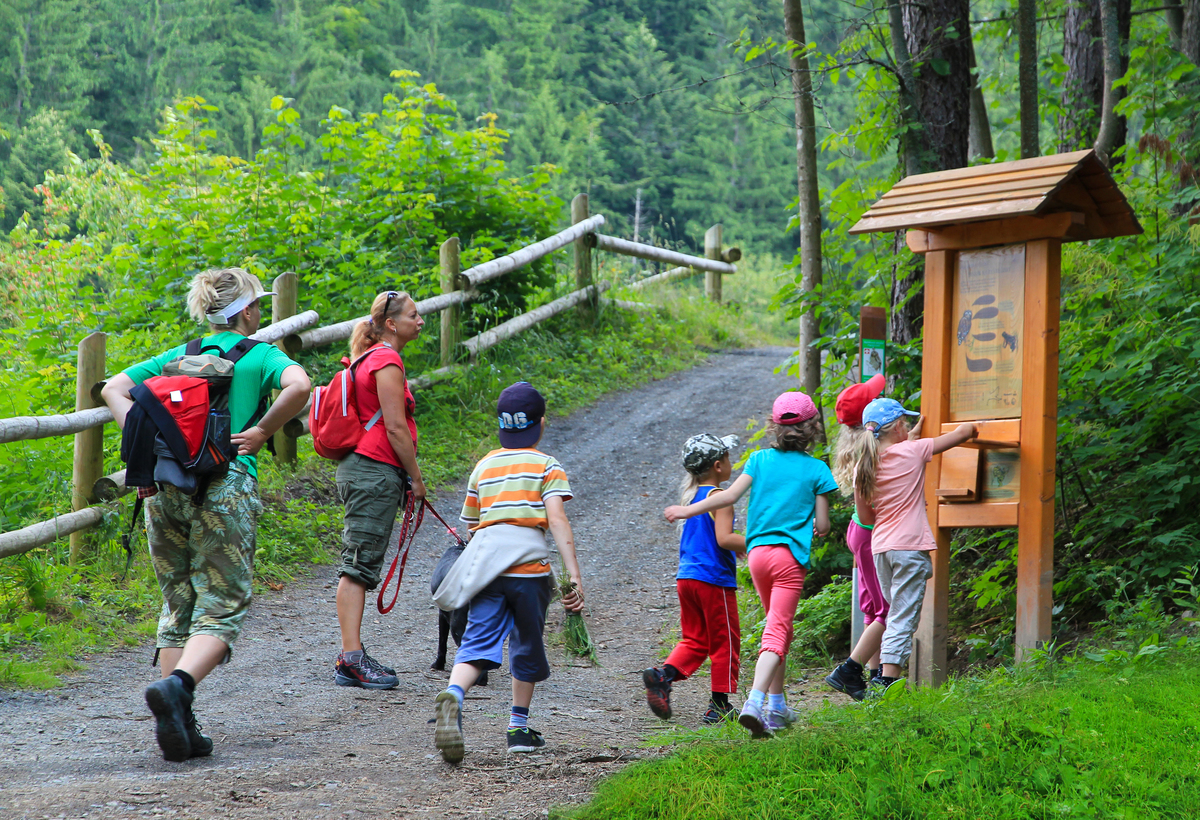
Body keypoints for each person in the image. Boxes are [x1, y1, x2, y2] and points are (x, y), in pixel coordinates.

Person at [101, 268, 311, 762]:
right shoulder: (260, 355)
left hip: (164, 487)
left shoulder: (180, 356)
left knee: (179, 604)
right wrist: (261, 431)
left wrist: (155, 445)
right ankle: (178, 686)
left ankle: (181, 724)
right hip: (226, 485)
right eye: (257, 305)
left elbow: (114, 388)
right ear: (247, 312)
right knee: (222, 604)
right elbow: (299, 386)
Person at [665, 391, 836, 738]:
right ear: (813, 430)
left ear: (774, 428)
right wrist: (816, 524)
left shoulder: (758, 460)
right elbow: (823, 525)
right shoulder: (818, 470)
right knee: (777, 630)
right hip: (788, 559)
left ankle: (777, 707)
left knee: (778, 627)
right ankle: (755, 704)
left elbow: (727, 496)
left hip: (757, 557)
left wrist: (686, 509)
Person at [431, 382, 584, 763]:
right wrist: (573, 575)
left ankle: (454, 694)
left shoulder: (483, 466)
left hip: (488, 570)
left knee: (478, 643)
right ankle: (518, 729)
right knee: (526, 644)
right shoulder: (548, 466)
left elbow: (471, 526)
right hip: (529, 571)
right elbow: (558, 520)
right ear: (541, 423)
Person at [332, 290, 428, 690]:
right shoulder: (386, 360)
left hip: (367, 470)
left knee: (361, 561)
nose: (420, 321)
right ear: (391, 324)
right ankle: (351, 659)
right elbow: (395, 428)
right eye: (413, 315)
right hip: (373, 471)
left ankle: (352, 656)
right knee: (358, 565)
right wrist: (417, 479)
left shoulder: (371, 357)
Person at [850, 398, 975, 695]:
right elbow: (962, 433)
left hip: (881, 547)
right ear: (898, 427)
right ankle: (887, 682)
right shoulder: (914, 451)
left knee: (894, 612)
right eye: (905, 422)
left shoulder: (863, 465)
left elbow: (867, 516)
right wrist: (972, 424)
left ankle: (872, 674)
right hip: (909, 545)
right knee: (903, 617)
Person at [643, 433, 745, 725]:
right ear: (717, 465)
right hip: (713, 581)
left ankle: (663, 676)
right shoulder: (719, 498)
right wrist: (759, 543)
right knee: (725, 641)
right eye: (727, 458)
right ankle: (718, 706)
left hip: (687, 579)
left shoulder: (692, 498)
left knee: (696, 639)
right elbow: (725, 539)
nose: (730, 462)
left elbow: (711, 539)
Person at [823, 374, 894, 700]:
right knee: (885, 609)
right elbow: (870, 512)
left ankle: (870, 675)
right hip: (869, 534)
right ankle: (852, 669)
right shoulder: (873, 455)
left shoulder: (857, 450)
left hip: (859, 532)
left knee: (871, 606)